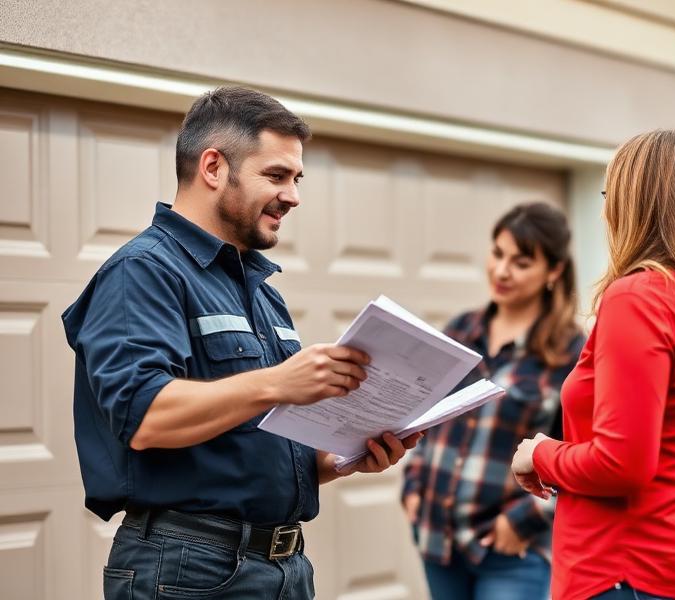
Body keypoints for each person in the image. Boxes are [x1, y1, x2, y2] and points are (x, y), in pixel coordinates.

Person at [62, 86, 421, 600]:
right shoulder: (143, 272)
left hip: (284, 568)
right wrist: (279, 382)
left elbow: (257, 447)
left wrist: (345, 457)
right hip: (189, 570)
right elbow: (143, 418)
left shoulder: (258, 292)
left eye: (297, 179)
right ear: (213, 167)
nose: (293, 195)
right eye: (276, 176)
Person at [511, 129, 675, 600]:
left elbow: (622, 463)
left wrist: (540, 454)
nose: (604, 210)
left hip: (625, 576)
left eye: (609, 193)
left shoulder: (638, 297)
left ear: (636, 203)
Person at [402, 202, 585, 600]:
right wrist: (413, 486)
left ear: (553, 272)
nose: (502, 271)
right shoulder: (460, 330)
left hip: (511, 550)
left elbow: (584, 456)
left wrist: (526, 520)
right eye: (498, 254)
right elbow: (422, 417)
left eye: (521, 263)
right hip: (438, 539)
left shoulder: (572, 352)